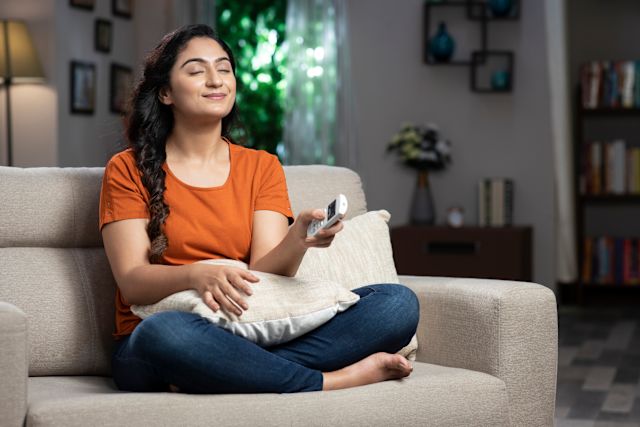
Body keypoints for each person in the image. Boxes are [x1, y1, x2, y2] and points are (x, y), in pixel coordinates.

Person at [100, 24, 419, 394]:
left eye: (224, 68)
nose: (215, 79)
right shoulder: (127, 168)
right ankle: (330, 380)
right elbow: (132, 281)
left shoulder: (261, 166)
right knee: (167, 333)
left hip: (253, 330)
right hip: (155, 338)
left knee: (397, 305)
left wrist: (298, 240)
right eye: (196, 69)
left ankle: (224, 369)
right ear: (166, 92)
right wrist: (197, 275)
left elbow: (265, 270)